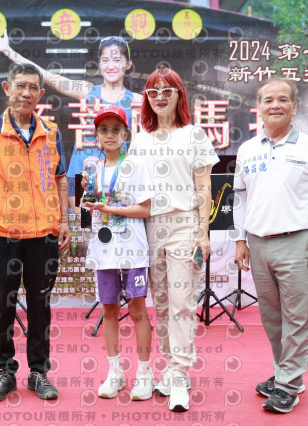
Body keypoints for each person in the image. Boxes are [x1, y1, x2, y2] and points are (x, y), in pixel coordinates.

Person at [0, 63, 71, 402]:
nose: (26, 93)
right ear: (7, 88)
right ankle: (5, 372)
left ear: (41, 94)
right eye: (20, 86)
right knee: (3, 305)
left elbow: (60, 180)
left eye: (32, 88)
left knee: (41, 305)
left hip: (44, 235)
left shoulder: (51, 131)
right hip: (3, 234)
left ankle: (39, 372)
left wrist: (65, 222)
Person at [232, 77, 308, 413]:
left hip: (298, 243)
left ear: (294, 106)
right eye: (268, 100)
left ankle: (288, 384)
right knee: (272, 317)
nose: (275, 105)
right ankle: (285, 374)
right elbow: (240, 200)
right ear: (258, 107)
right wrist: (240, 239)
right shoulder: (247, 150)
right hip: (258, 244)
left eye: (282, 99)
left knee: (297, 317)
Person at [128, 67, 219, 412]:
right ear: (147, 99)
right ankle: (171, 366)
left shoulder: (194, 134)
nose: (161, 97)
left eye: (168, 91)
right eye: (153, 92)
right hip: (151, 227)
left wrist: (202, 233)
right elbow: (131, 189)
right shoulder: (140, 139)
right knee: (163, 304)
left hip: (184, 225)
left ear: (180, 95)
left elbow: (204, 187)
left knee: (182, 303)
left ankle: (180, 374)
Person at [0, 31, 142, 211]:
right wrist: (7, 50)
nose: (111, 66)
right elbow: (47, 76)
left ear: (128, 63)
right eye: (105, 60)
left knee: (116, 224)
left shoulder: (137, 101)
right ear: (99, 64)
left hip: (118, 174)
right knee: (84, 226)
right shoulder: (86, 90)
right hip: (80, 174)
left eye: (117, 60)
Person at [80, 106, 154, 400]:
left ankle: (144, 374)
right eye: (103, 130)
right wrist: (89, 198)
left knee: (137, 311)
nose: (109, 135)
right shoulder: (93, 169)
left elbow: (145, 210)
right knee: (109, 311)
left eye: (115, 129)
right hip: (104, 251)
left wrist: (108, 207)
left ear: (126, 134)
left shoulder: (136, 165)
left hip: (132, 250)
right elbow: (91, 210)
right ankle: (115, 373)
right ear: (96, 136)